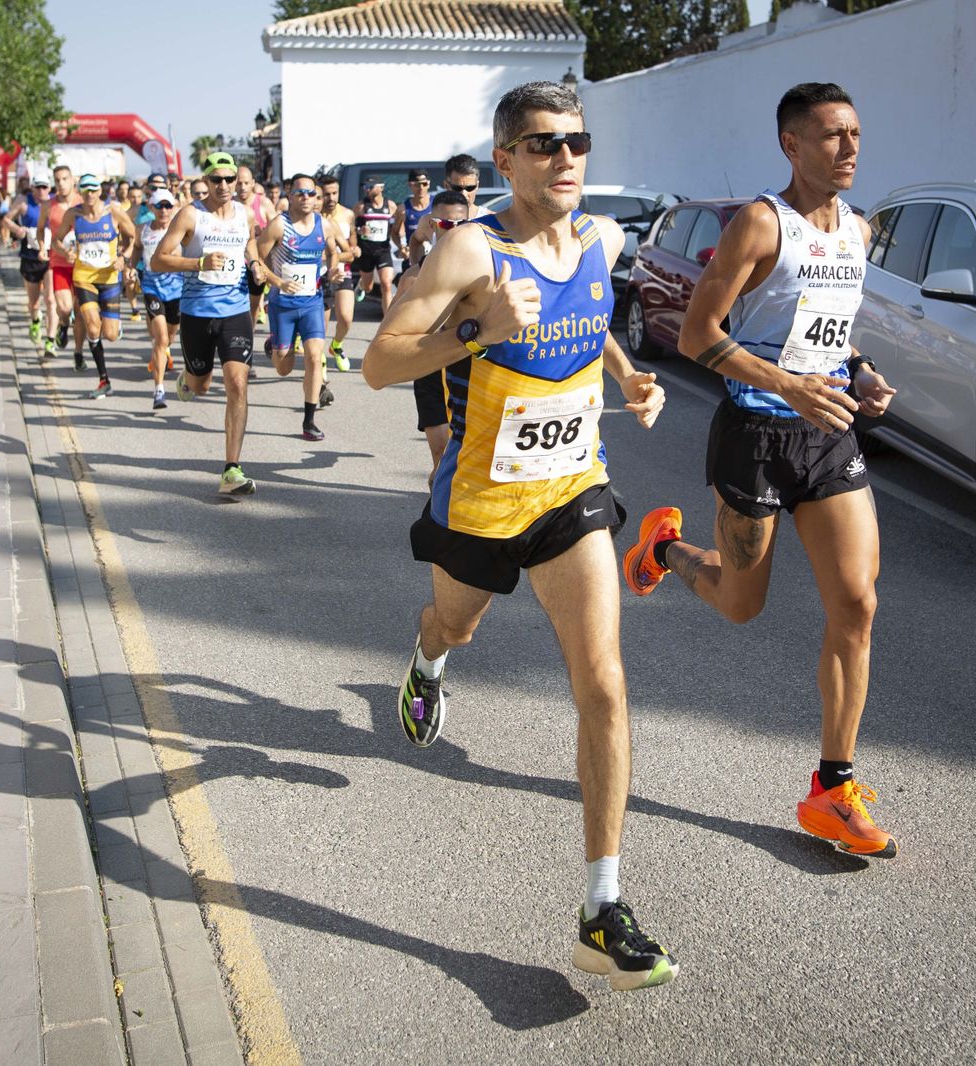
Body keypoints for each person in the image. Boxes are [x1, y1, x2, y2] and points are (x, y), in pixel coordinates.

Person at [362, 81, 673, 991]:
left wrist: (627, 374)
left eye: (576, 142)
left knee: (605, 685)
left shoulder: (601, 237)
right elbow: (382, 362)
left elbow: (592, 318)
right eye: (542, 145)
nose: (565, 158)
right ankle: (427, 657)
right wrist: (473, 330)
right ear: (506, 158)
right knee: (455, 624)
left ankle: (600, 909)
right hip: (482, 501)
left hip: (573, 487)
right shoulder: (471, 247)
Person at [623, 82, 900, 859]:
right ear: (791, 144)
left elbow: (826, 332)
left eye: (855, 133)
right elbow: (696, 335)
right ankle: (664, 550)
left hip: (829, 436)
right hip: (756, 435)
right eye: (831, 136)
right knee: (742, 604)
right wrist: (788, 387)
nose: (848, 148)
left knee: (857, 602)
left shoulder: (858, 228)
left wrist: (862, 370)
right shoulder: (759, 222)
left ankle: (832, 790)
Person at [152, 152, 263, 496]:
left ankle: (232, 468)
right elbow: (158, 260)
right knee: (201, 386)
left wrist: (256, 262)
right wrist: (199, 262)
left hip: (235, 310)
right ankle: (189, 376)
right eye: (218, 180)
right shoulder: (191, 214)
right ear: (207, 182)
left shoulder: (244, 214)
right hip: (197, 312)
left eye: (231, 179)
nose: (225, 186)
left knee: (237, 383)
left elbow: (250, 242)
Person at [255, 174, 334, 441]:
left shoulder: (324, 225)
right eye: (300, 193)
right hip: (283, 305)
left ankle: (309, 421)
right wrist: (277, 281)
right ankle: (274, 345)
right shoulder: (279, 225)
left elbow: (334, 252)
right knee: (284, 368)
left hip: (312, 302)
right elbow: (256, 257)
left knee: (314, 357)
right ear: (290, 196)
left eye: (311, 193)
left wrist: (333, 271)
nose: (306, 198)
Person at [397, 189, 470, 475]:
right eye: (446, 225)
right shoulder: (414, 277)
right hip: (429, 369)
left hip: (469, 369)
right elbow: (390, 335)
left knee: (463, 459)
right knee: (442, 458)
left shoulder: (484, 269)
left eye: (461, 225)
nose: (454, 231)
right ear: (433, 225)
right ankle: (439, 512)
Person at [53, 174, 137, 399]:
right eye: (85, 190)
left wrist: (124, 257)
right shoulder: (73, 214)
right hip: (84, 277)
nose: (90, 194)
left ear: (100, 191)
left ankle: (114, 326)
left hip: (109, 277)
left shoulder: (114, 212)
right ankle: (104, 380)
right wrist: (64, 252)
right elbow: (56, 240)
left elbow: (132, 236)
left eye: (94, 189)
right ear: (80, 192)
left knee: (109, 334)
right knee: (92, 327)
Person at [134, 189, 184, 410]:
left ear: (173, 208)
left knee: (171, 336)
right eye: (159, 206)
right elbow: (136, 250)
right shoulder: (142, 230)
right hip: (152, 287)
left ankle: (162, 355)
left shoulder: (181, 230)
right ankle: (159, 390)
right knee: (161, 338)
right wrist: (128, 266)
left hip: (177, 289)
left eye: (168, 206)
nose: (164, 210)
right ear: (151, 208)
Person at [39, 164, 85, 365]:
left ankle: (78, 353)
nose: (61, 184)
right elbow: (41, 229)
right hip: (59, 262)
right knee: (65, 308)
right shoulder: (48, 206)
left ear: (73, 180)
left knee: (81, 310)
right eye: (57, 180)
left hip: (83, 264)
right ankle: (63, 325)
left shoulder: (83, 203)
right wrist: (42, 247)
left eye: (65, 179)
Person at [316, 172, 359, 374]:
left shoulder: (348, 214)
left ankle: (337, 345)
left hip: (342, 272)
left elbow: (351, 248)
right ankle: (320, 363)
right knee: (321, 326)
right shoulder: (313, 216)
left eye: (335, 193)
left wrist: (340, 254)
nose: (331, 198)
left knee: (346, 318)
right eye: (326, 194)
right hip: (319, 275)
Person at [2, 175, 51, 345]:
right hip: (30, 255)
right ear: (32, 188)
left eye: (45, 187)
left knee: (51, 299)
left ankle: (51, 338)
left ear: (50, 189)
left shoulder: (54, 203)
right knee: (34, 302)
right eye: (38, 187)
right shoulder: (24, 202)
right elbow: (6, 219)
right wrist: (18, 229)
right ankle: (36, 321)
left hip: (50, 256)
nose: (42, 191)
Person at [238, 165, 277, 328]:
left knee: (253, 305)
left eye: (246, 183)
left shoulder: (263, 203)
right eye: (239, 183)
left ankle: (249, 334)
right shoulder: (229, 204)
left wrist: (263, 231)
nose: (243, 187)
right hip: (236, 263)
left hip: (258, 262)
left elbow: (277, 230)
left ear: (253, 183)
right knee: (237, 305)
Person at [353, 177, 397, 310]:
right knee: (369, 287)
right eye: (365, 187)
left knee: (386, 284)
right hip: (366, 251)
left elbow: (396, 226)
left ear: (381, 188)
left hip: (383, 250)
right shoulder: (360, 206)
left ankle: (387, 321)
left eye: (370, 186)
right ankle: (361, 285)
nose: (367, 189)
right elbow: (350, 227)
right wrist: (360, 230)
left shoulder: (390, 206)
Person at [396, 168, 434, 279]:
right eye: (417, 185)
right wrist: (401, 247)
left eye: (424, 184)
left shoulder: (437, 205)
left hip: (435, 255)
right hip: (414, 256)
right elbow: (394, 233)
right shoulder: (403, 209)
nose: (421, 188)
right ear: (410, 185)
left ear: (429, 184)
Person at [443, 153, 489, 219]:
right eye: (457, 188)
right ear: (446, 186)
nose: (464, 194)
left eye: (470, 188)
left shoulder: (492, 220)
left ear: (477, 185)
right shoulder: (430, 221)